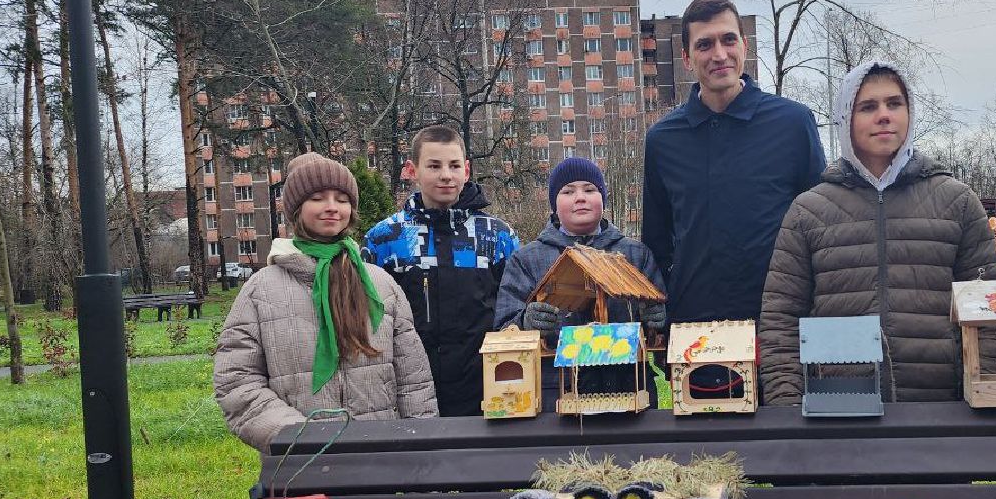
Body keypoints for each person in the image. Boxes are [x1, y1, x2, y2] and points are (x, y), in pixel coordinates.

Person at [760, 61, 996, 404]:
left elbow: (991, 312)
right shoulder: (808, 211)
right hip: (837, 415)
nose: (884, 115)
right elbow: (781, 321)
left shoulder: (957, 202)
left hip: (942, 413)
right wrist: (787, 408)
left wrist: (982, 393)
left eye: (894, 103)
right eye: (868, 107)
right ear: (847, 118)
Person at [214, 152, 437, 450]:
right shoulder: (261, 290)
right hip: (299, 466)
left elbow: (413, 381)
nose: (332, 207)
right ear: (296, 208)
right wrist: (297, 437)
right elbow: (236, 380)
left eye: (342, 199)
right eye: (318, 198)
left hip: (381, 460)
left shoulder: (380, 284)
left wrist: (421, 450)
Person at [642, 0, 825, 325]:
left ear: (744, 45)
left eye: (728, 40)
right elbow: (656, 243)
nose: (719, 55)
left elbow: (821, 228)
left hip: (782, 324)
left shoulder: (793, 123)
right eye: (704, 44)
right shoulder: (662, 141)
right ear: (686, 58)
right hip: (695, 330)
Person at [363, 125, 519, 416]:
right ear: (412, 170)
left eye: (454, 165)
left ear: (467, 170)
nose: (446, 175)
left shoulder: (497, 236)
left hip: (485, 389)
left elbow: (514, 310)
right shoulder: (386, 239)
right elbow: (372, 319)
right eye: (434, 166)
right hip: (411, 391)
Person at [493, 156, 666, 403]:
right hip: (557, 394)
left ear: (603, 199)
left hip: (630, 390)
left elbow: (662, 324)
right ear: (554, 203)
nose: (580, 197)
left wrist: (658, 320)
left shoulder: (635, 255)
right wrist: (525, 321)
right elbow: (503, 329)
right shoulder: (526, 260)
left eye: (590, 189)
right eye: (568, 191)